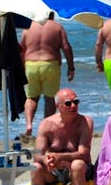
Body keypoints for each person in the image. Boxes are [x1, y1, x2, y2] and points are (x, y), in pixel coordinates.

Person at [32, 88, 94, 185]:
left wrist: (60, 157)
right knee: (36, 167)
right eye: (68, 103)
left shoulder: (85, 122)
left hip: (80, 171)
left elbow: (84, 153)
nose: (73, 106)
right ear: (57, 105)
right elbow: (37, 153)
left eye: (76, 102)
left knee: (78, 164)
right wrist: (46, 160)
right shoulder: (47, 124)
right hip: (55, 171)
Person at [20, 12, 75, 140]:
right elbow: (66, 47)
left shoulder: (28, 27)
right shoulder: (57, 27)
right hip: (50, 64)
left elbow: (21, 49)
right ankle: (45, 127)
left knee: (31, 98)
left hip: (31, 65)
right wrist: (71, 67)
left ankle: (28, 125)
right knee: (50, 99)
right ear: (51, 15)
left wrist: (22, 68)